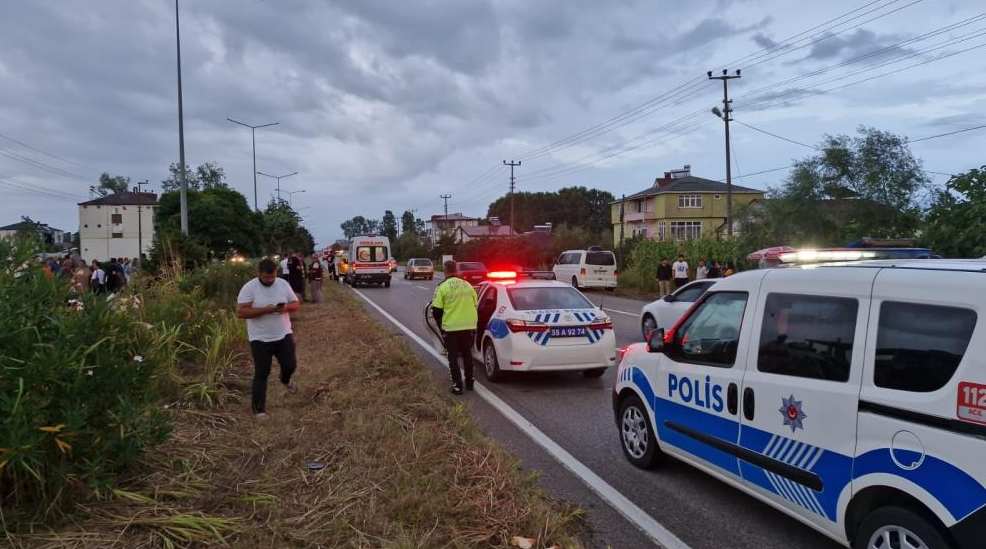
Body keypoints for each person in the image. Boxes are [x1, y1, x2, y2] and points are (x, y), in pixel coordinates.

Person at [236, 259, 301, 419]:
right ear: (258, 274)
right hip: (259, 338)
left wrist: (284, 308)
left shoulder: (282, 284)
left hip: (283, 333)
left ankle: (285, 379)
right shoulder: (249, 287)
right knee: (262, 373)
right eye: (266, 278)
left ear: (276, 273)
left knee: (290, 365)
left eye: (272, 277)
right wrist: (266, 310)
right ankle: (259, 410)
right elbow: (241, 312)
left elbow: (296, 304)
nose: (270, 280)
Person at [431, 260, 479, 395]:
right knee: (467, 355)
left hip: (451, 328)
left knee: (452, 357)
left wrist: (441, 327)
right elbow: (475, 303)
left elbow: (436, 310)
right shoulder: (467, 285)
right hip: (468, 326)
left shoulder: (442, 287)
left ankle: (458, 386)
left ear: (445, 271)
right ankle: (469, 383)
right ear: (456, 270)